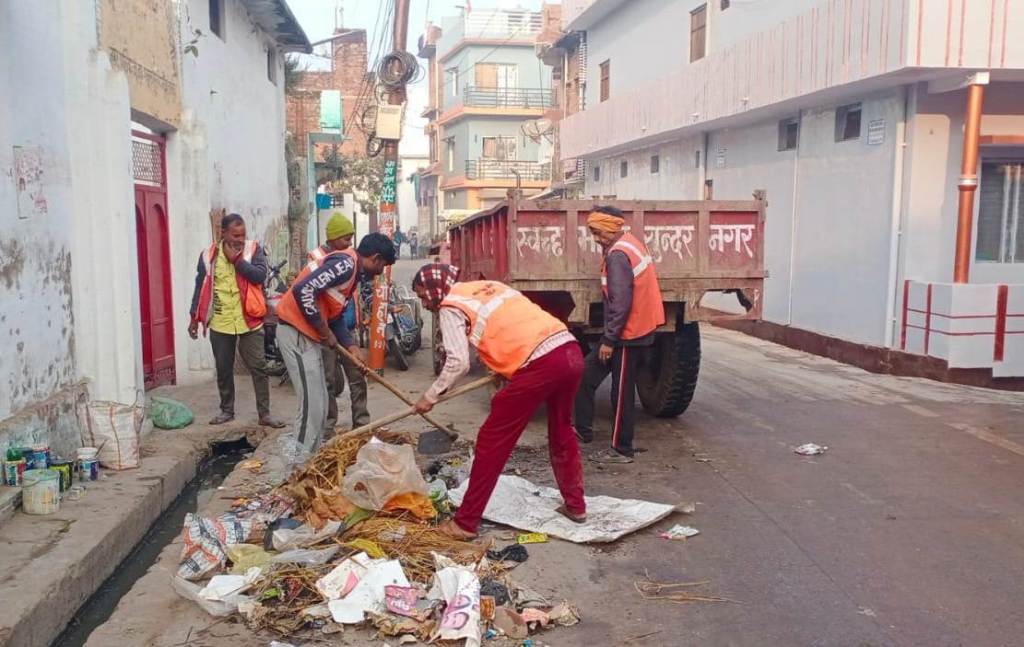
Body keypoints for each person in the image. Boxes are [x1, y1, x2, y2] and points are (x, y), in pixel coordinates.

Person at [411, 264, 586, 539]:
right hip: (569, 350)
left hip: (541, 364)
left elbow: (458, 363)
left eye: (423, 296)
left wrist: (429, 397)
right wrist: (501, 369)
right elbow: (513, 326)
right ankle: (576, 506)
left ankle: (465, 523)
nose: (424, 303)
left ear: (435, 289)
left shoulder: (450, 306)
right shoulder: (488, 288)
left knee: (492, 441)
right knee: (562, 431)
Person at [276, 232, 396, 454]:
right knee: (311, 405)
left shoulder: (352, 275)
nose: (379, 273)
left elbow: (335, 316)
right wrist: (324, 331)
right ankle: (296, 466)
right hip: (296, 331)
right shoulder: (345, 265)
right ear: (376, 258)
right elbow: (305, 290)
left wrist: (351, 346)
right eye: (382, 266)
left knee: (320, 403)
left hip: (307, 335)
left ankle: (309, 459)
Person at [574, 206, 665, 464]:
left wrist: (609, 340)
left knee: (622, 392)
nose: (595, 237)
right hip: (632, 329)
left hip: (628, 333)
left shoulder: (618, 255)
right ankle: (582, 431)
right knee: (585, 375)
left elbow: (621, 302)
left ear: (611, 227)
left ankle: (621, 449)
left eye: (597, 231)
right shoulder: (629, 243)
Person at [188, 213, 285, 428]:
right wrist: (194, 317)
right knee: (224, 368)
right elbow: (200, 286)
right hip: (221, 321)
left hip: (249, 320)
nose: (239, 239)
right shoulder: (208, 256)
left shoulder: (253, 250)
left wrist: (238, 261)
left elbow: (260, 276)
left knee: (259, 367)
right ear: (222, 233)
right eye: (235, 235)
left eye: (242, 235)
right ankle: (226, 410)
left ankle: (265, 414)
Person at [308, 213, 371, 434]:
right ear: (333, 239)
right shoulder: (318, 259)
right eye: (346, 239)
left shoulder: (351, 260)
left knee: (357, 373)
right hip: (325, 331)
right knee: (328, 382)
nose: (350, 244)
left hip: (346, 327)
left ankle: (361, 425)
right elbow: (311, 294)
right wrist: (325, 330)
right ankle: (328, 429)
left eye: (351, 238)